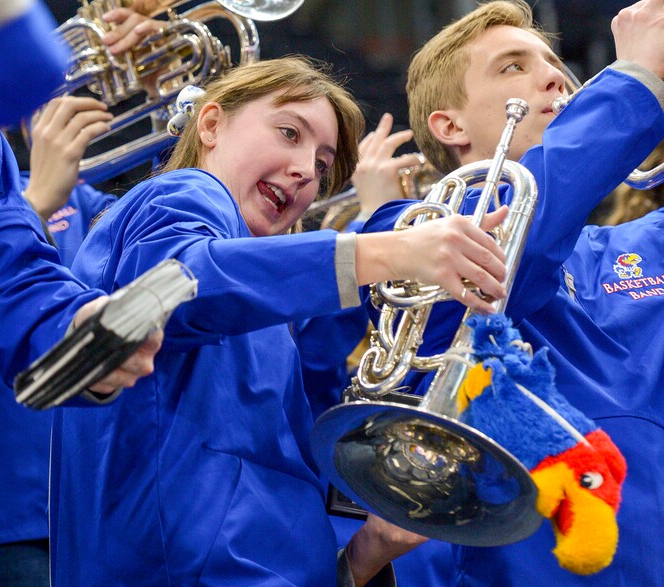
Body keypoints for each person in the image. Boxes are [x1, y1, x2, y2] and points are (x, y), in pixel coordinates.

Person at [49, 55, 510, 586]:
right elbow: (175, 289)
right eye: (289, 133)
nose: (304, 171)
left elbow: (274, 493)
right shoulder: (183, 194)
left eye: (320, 165)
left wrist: (362, 557)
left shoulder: (263, 310)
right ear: (212, 124)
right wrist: (387, 250)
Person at [359, 0, 664, 584]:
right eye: (511, 67)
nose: (555, 76)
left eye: (553, 63)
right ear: (450, 125)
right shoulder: (404, 233)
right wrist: (635, 81)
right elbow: (516, 245)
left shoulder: (627, 249)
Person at [0, 2, 163, 583]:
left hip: (65, 504)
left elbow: (4, 273)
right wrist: (35, 202)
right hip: (14, 503)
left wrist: (78, 333)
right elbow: (24, 55)